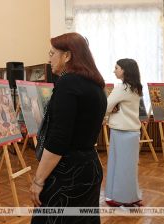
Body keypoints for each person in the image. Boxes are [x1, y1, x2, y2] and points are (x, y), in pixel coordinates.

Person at [30, 32, 107, 224]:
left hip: (67, 173)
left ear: (67, 56)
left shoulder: (68, 83)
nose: (49, 58)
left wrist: (38, 180)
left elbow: (58, 140)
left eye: (52, 53)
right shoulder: (96, 85)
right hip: (89, 167)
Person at [105, 58, 143, 207]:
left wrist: (113, 108)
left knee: (118, 165)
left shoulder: (121, 88)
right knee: (130, 167)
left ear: (124, 70)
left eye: (116, 68)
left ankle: (118, 198)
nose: (114, 70)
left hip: (120, 131)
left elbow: (106, 107)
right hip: (133, 132)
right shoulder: (135, 88)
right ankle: (131, 197)